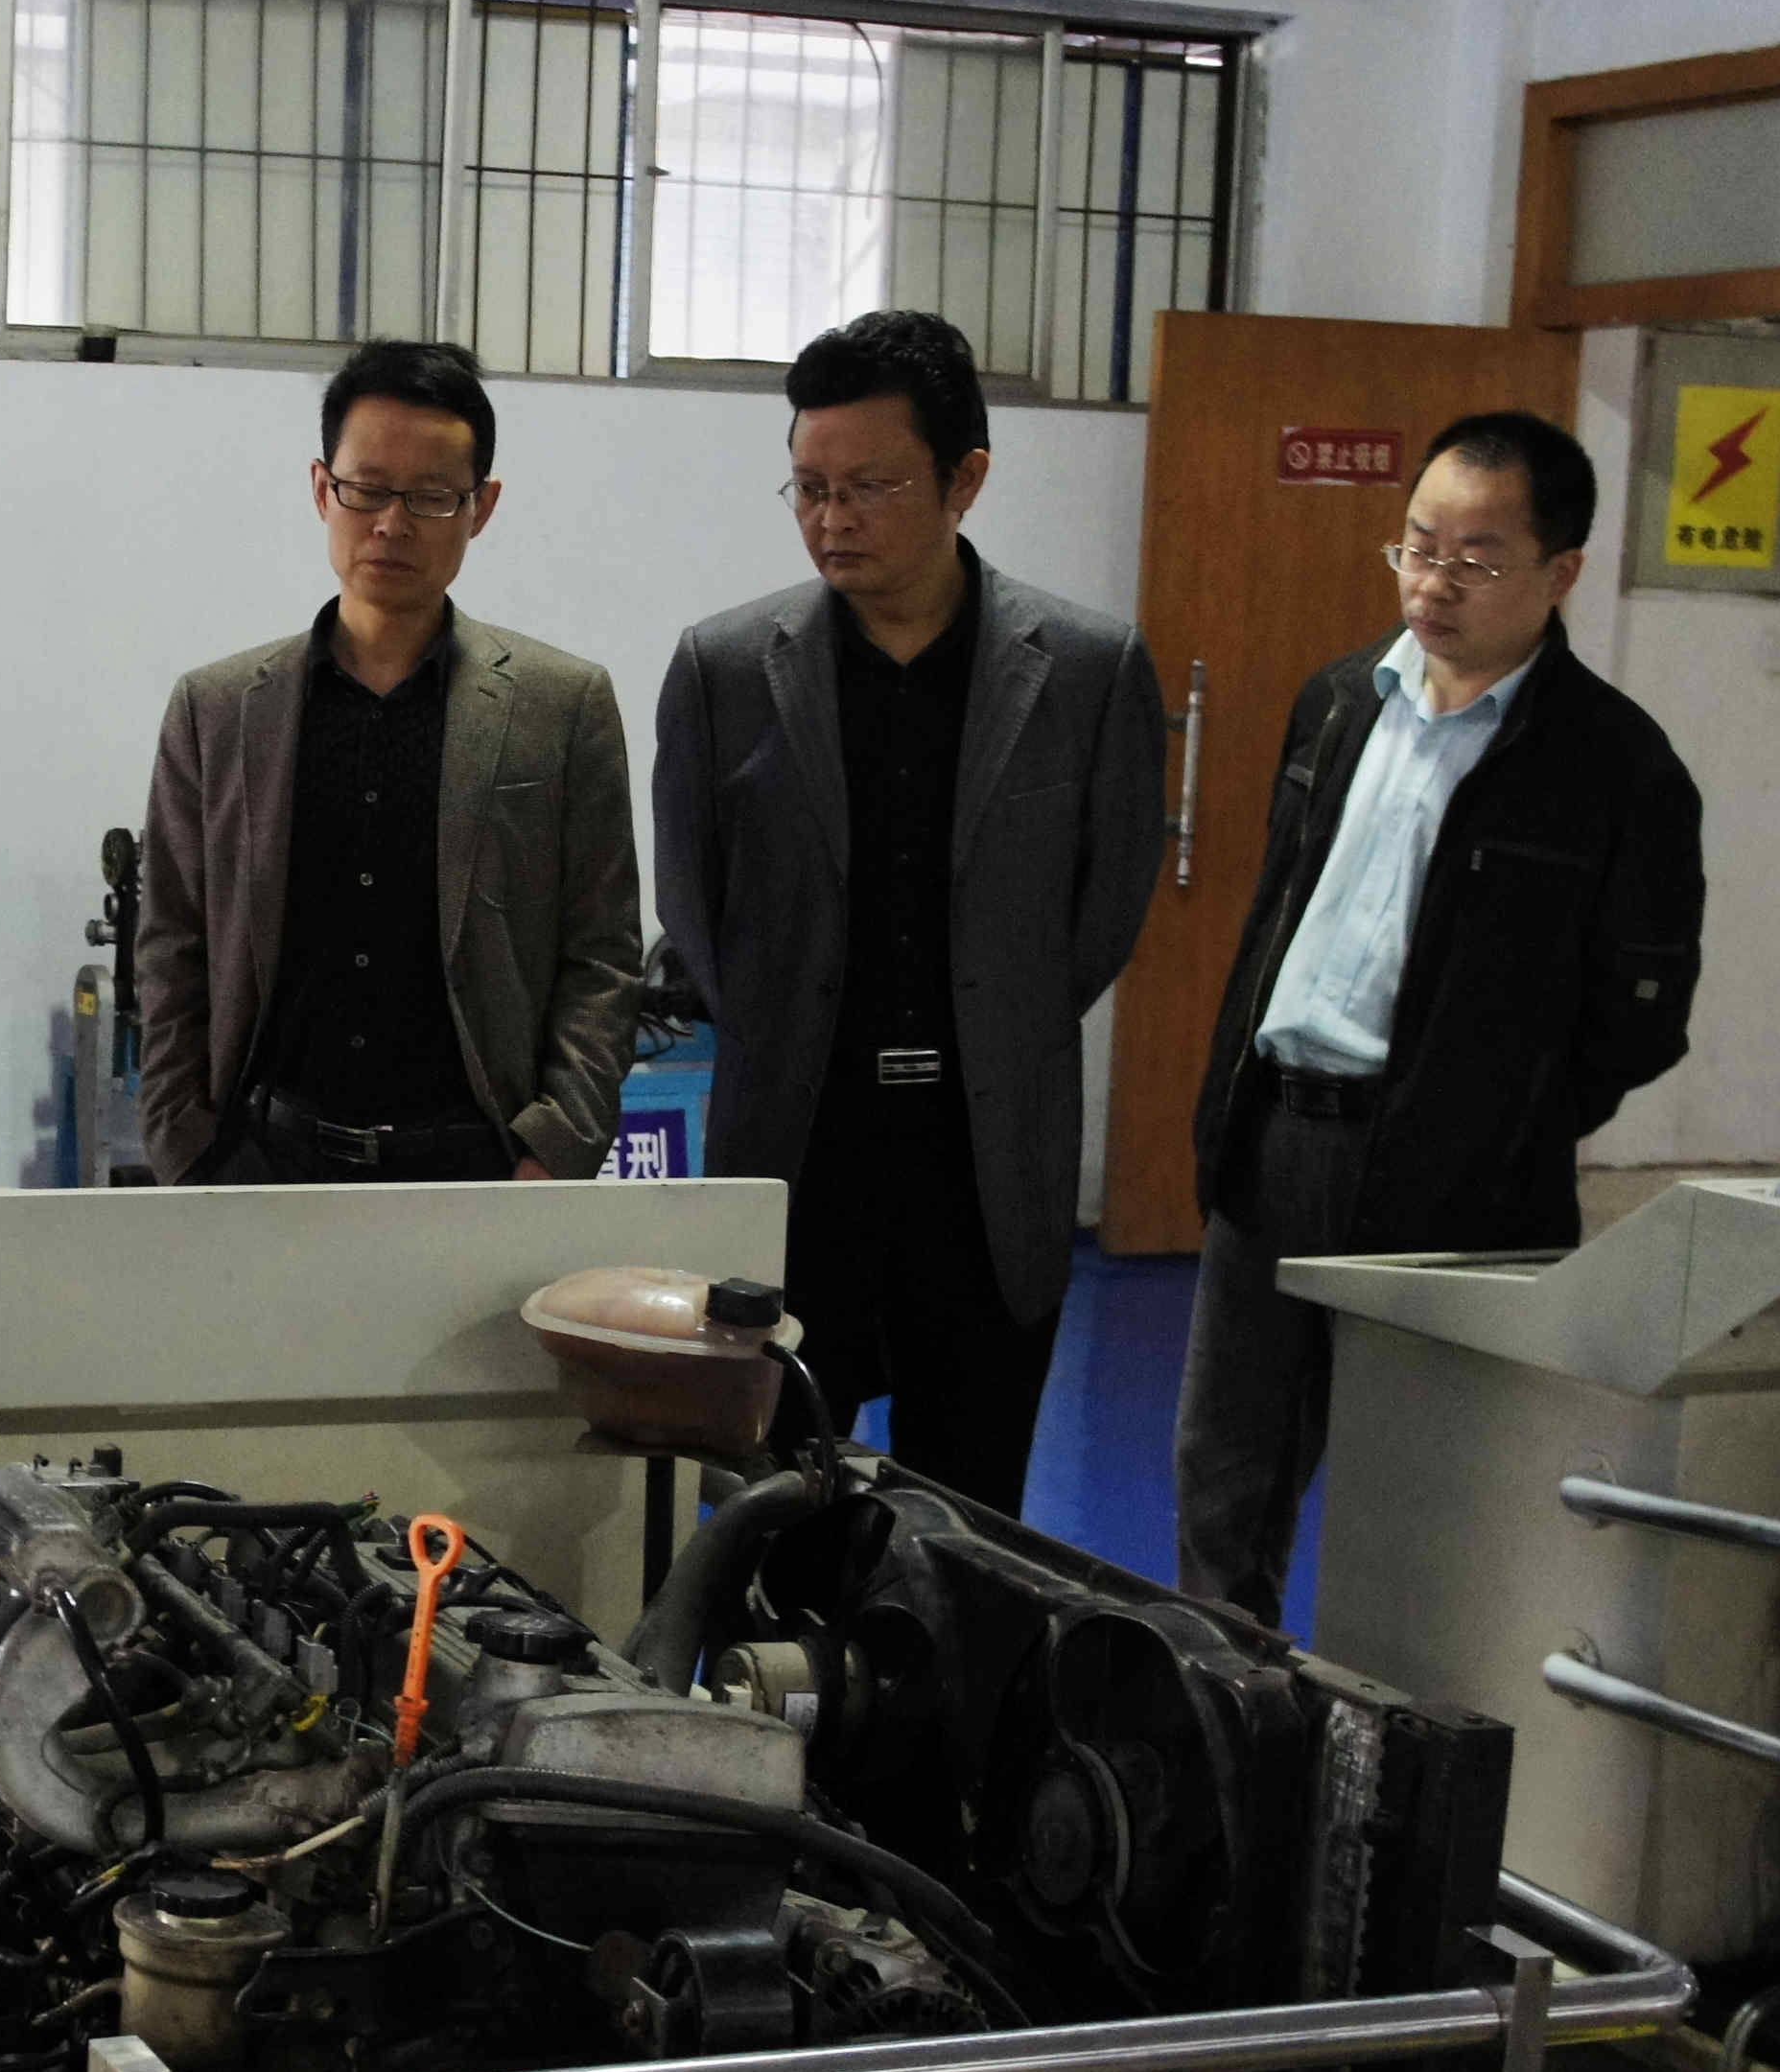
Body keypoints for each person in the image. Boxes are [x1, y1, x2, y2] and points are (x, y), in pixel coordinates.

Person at [1176, 410, 1702, 1627]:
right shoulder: (1338, 701)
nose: (1432, 583)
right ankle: (1217, 1703)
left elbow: (1640, 1016)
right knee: (1224, 1478)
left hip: (1458, 1183)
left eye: (1475, 559)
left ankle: (1396, 1732)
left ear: (1559, 573)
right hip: (1274, 1140)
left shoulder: (1615, 766)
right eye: (1416, 547)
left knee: (1425, 1501)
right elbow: (1276, 917)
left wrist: (1500, 1120)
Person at [652, 311, 1164, 1511]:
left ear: (964, 478)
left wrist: (992, 1028)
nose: (832, 518)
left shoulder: (1087, 673)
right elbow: (693, 903)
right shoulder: (725, 669)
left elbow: (1103, 910)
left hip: (983, 1164)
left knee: (968, 1524)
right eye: (809, 487)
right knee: (771, 1514)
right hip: (799, 1151)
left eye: (870, 487)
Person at [137, 339, 642, 1186]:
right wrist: (185, 1147)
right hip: (261, 1167)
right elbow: (170, 944)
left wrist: (553, 1149)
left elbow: (601, 954)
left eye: (431, 496)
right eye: (365, 489)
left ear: (481, 507)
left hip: (481, 1169)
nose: (391, 523)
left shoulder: (563, 706)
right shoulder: (216, 709)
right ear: (320, 488)